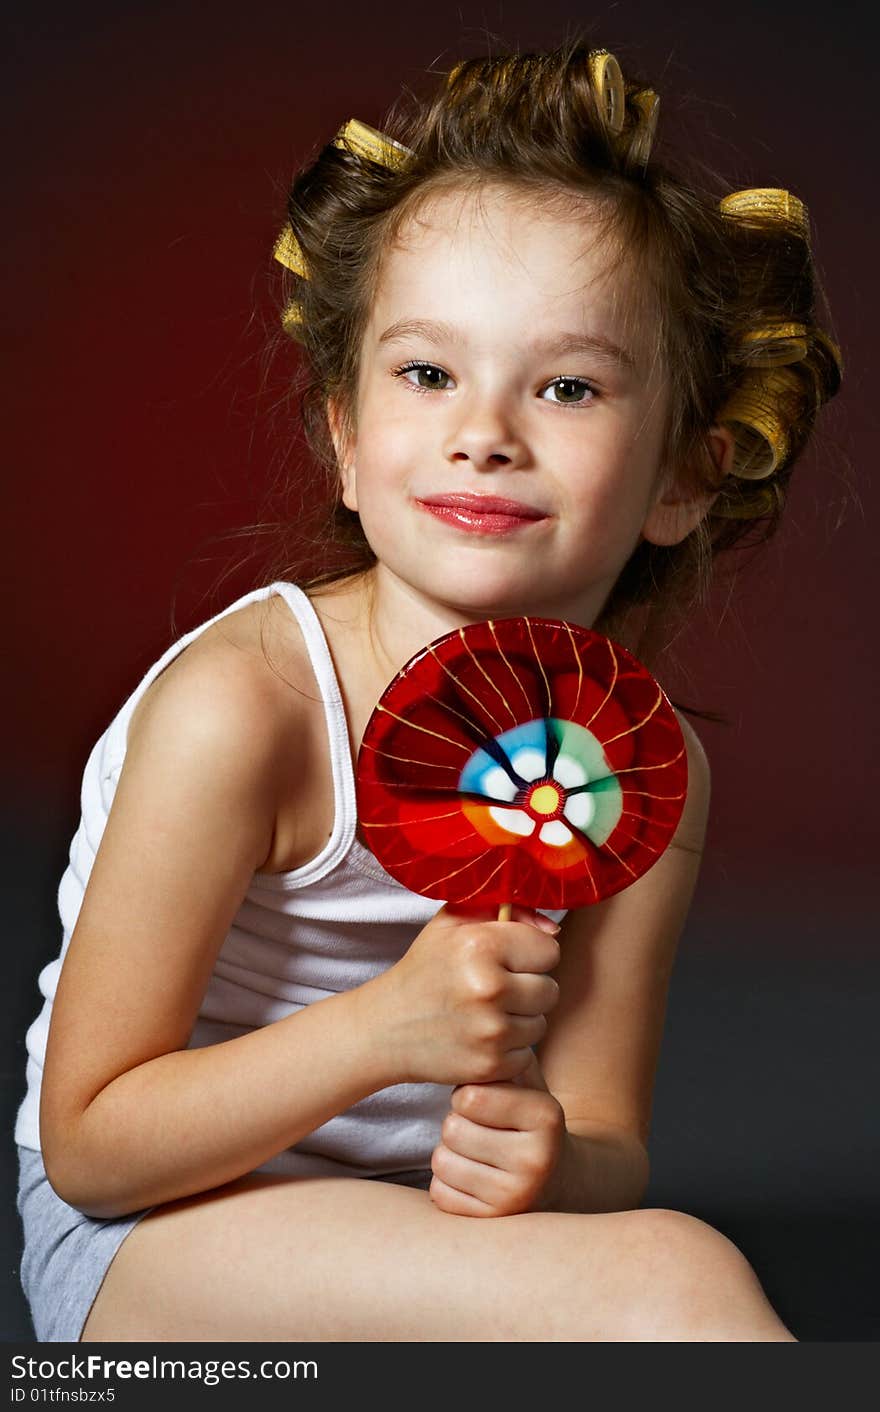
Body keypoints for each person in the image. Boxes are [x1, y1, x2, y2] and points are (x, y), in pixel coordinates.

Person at [15, 40, 841, 1342]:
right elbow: (92, 1147)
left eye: (567, 385)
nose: (484, 429)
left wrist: (553, 1165)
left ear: (688, 472)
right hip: (156, 1235)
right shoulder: (246, 710)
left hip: (419, 1234)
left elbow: (609, 1134)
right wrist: (382, 1030)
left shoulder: (637, 762)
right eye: (425, 373)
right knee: (674, 1283)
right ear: (345, 437)